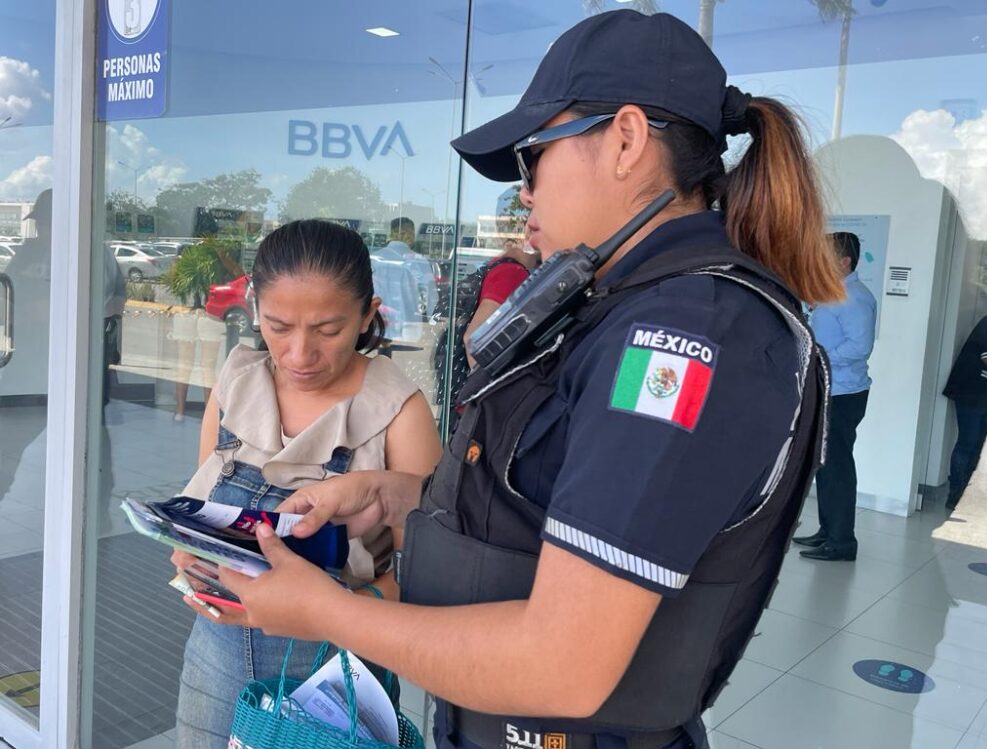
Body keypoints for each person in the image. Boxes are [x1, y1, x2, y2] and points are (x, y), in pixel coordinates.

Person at [205, 12, 843, 749]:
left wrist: (325, 612)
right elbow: (551, 516)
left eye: (531, 156)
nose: (522, 191)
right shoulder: (610, 305)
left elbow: (562, 664)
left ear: (626, 139)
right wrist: (401, 499)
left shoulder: (682, 336)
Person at [170, 219, 441, 747]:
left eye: (327, 330)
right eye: (278, 326)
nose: (298, 355)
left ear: (368, 314)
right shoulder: (236, 381)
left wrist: (336, 612)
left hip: (330, 670)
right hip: (216, 649)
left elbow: (428, 573)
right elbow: (201, 504)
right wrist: (188, 553)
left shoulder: (398, 410)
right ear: (254, 310)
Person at [793, 232, 877, 561]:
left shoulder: (855, 297)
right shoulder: (834, 292)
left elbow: (860, 347)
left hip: (843, 394)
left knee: (837, 467)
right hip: (829, 389)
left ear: (844, 262)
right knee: (825, 465)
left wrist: (819, 356)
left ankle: (842, 542)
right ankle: (828, 532)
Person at [433, 232, 539, 423]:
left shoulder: (492, 266)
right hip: (476, 406)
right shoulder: (512, 273)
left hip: (460, 393)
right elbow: (476, 338)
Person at [942, 309, 987, 511]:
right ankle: (956, 493)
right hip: (971, 390)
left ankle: (967, 489)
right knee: (968, 441)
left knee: (978, 444)